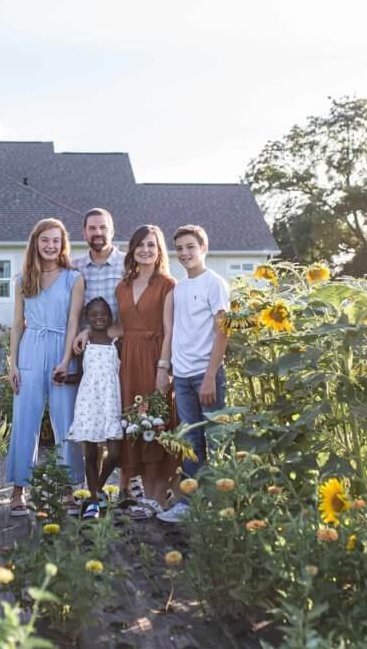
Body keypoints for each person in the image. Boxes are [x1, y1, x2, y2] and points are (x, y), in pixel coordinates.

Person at [7, 218, 85, 517]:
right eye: (45, 240)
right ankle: (18, 489)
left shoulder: (73, 278)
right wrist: (12, 363)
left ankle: (68, 489)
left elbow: (73, 323)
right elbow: (17, 323)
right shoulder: (22, 279)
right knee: (25, 421)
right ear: (36, 243)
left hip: (61, 351)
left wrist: (66, 361)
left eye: (56, 240)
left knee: (65, 422)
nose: (51, 245)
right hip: (30, 351)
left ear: (63, 244)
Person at [157, 224, 229, 524]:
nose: (185, 253)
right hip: (183, 376)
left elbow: (223, 331)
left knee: (216, 440)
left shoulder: (215, 284)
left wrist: (211, 375)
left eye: (190, 247)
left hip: (205, 374)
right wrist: (167, 369)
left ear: (203, 248)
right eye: (180, 248)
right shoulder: (179, 289)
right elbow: (172, 331)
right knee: (191, 442)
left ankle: (221, 507)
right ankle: (191, 505)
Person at [114, 225, 177, 520]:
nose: (145, 250)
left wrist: (163, 369)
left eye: (151, 245)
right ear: (132, 250)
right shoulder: (123, 285)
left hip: (154, 358)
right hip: (129, 360)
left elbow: (169, 331)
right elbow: (122, 327)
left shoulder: (167, 284)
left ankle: (155, 497)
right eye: (140, 245)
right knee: (135, 422)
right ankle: (143, 492)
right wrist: (88, 332)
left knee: (157, 422)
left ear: (159, 250)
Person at [66, 297, 123, 519]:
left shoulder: (116, 342)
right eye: (94, 314)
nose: (99, 317)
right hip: (89, 401)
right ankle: (93, 501)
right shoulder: (84, 344)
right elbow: (82, 374)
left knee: (115, 453)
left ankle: (97, 490)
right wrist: (65, 378)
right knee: (90, 453)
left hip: (111, 401)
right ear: (87, 319)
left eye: (103, 313)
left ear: (110, 316)